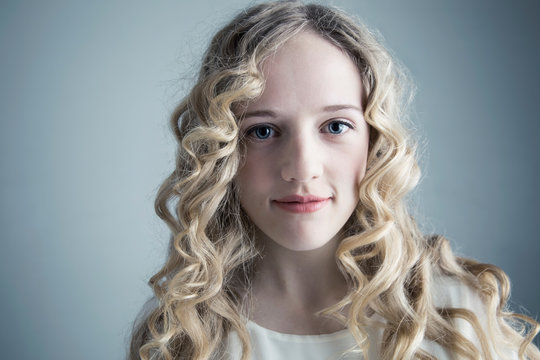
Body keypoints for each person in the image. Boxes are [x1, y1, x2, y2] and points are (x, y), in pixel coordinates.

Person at [129, 1, 539, 359]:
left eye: (336, 126)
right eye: (263, 131)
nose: (303, 169)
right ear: (220, 152)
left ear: (375, 142)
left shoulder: (456, 317)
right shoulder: (180, 332)